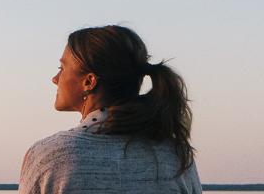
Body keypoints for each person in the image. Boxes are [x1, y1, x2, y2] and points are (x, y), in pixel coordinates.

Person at [20, 25, 201, 194]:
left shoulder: (50, 157)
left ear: (89, 81)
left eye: (62, 68)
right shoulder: (176, 155)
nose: (55, 78)